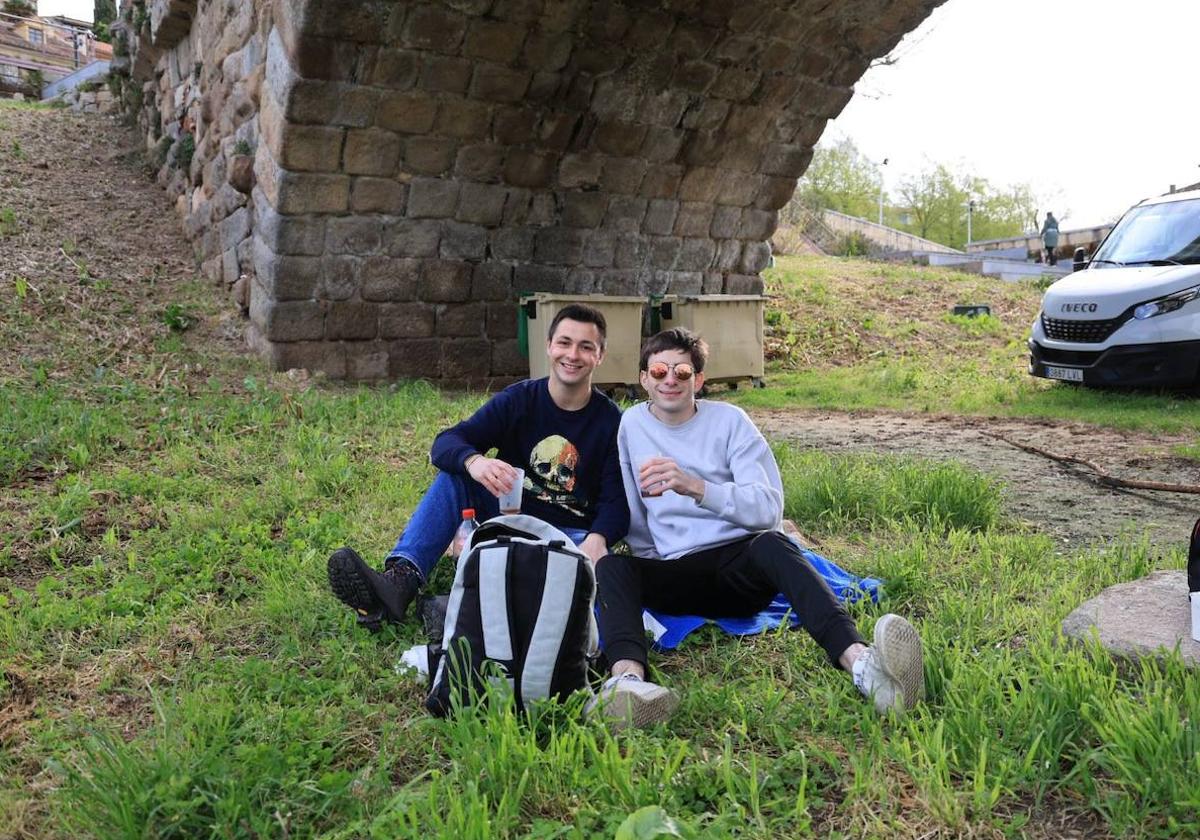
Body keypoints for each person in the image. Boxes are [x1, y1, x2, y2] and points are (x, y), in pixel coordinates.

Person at [588, 328, 925, 729]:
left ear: (698, 379)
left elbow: (768, 509)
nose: (670, 381)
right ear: (644, 378)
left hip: (740, 567)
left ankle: (864, 666)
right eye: (659, 371)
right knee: (612, 567)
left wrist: (696, 486)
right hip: (679, 570)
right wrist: (644, 561)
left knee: (774, 543)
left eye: (682, 372)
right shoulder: (631, 424)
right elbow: (636, 510)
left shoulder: (730, 421)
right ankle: (627, 685)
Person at [328, 303, 629, 630]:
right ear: (548, 346)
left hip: (568, 535)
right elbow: (447, 442)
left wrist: (598, 539)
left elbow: (617, 500)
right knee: (455, 476)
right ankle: (401, 579)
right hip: (505, 516)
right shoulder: (519, 400)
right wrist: (475, 461)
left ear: (600, 355)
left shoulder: (611, 421)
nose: (573, 354)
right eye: (565, 342)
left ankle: (465, 611)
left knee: (582, 592)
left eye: (586, 347)